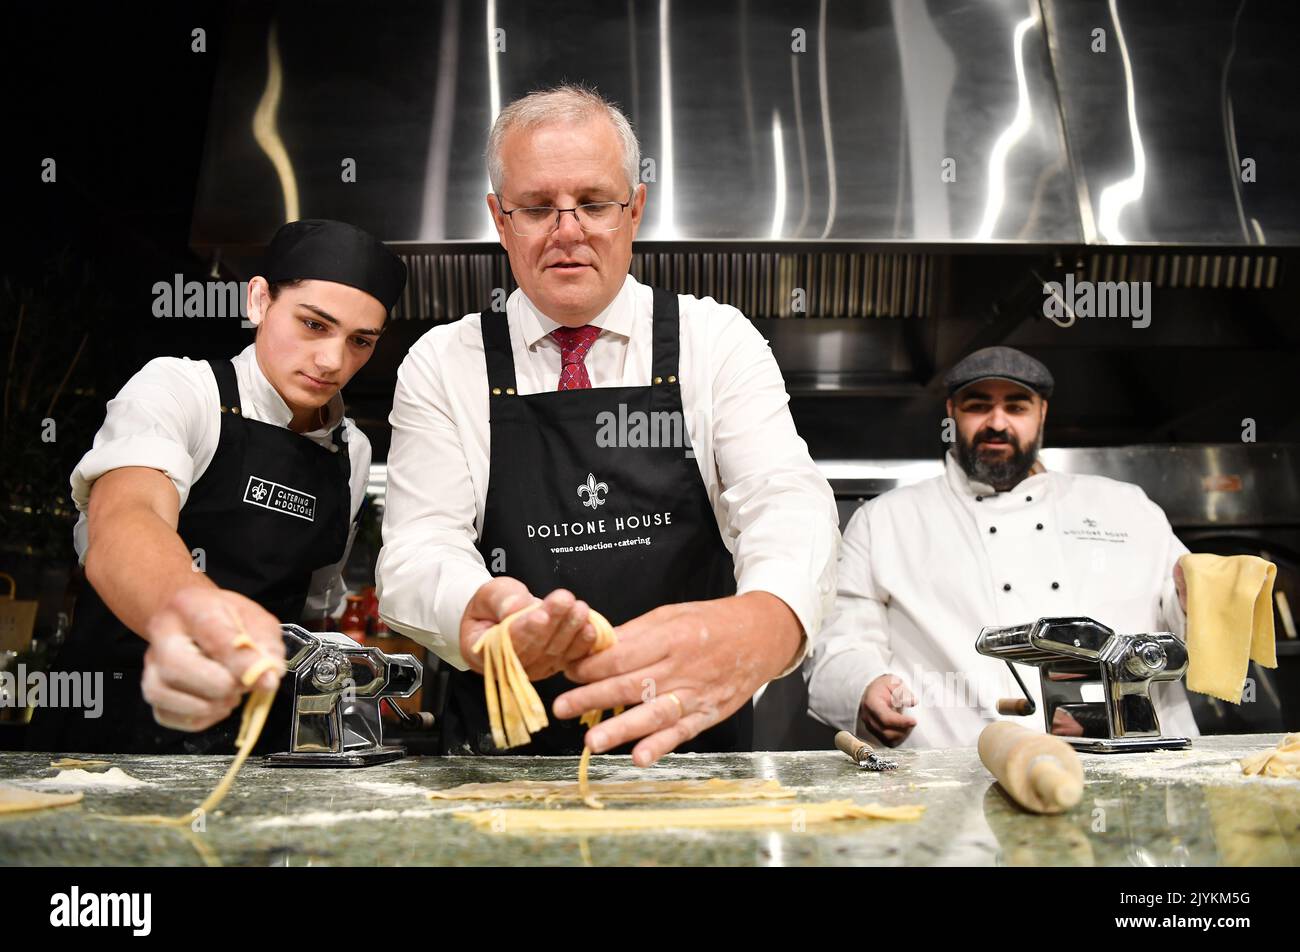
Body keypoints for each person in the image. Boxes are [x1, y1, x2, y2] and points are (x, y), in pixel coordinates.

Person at [376, 84, 839, 763]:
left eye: (594, 203)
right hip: (504, 771)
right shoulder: (444, 363)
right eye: (537, 208)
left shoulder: (717, 341)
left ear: (635, 210)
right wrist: (476, 607)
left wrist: (766, 620)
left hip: (694, 761)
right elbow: (417, 552)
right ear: (500, 221)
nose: (569, 231)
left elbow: (783, 500)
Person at [27, 219, 405, 753]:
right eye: (314, 325)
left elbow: (315, 607)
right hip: (110, 729)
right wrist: (193, 613)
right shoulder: (181, 391)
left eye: (360, 341)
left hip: (258, 744)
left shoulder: (353, 453)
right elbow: (127, 519)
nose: (333, 361)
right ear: (258, 300)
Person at [803, 346, 1200, 749]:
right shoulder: (886, 519)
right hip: (954, 780)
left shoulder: (1126, 506)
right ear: (951, 412)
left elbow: (1194, 634)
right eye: (978, 406)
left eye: (1016, 407)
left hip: (1133, 769)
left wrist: (1195, 601)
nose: (997, 423)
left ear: (1042, 413)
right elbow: (840, 641)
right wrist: (864, 685)